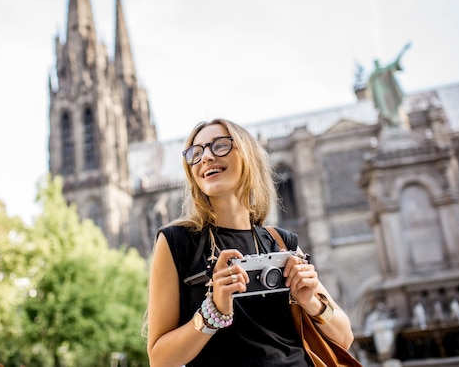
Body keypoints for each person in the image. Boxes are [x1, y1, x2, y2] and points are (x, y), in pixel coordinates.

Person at [146, 118, 355, 366]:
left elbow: (344, 337)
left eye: (220, 145)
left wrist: (310, 301)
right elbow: (159, 359)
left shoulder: (281, 242)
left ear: (248, 156)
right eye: (196, 152)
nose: (206, 157)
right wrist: (212, 312)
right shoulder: (176, 242)